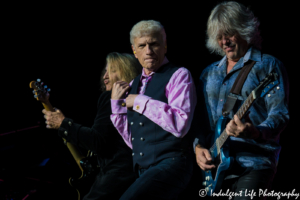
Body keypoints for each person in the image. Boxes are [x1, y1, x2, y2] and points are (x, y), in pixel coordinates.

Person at [194, 1, 289, 199]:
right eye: (219, 37)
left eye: (229, 34)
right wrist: (198, 147)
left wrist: (254, 131)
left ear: (244, 30)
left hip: (255, 162)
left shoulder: (267, 65)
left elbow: (279, 114)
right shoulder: (208, 74)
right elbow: (200, 122)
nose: (224, 42)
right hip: (217, 166)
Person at [110, 20, 197, 200]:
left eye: (154, 44)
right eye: (142, 45)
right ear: (134, 50)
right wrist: (116, 106)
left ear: (165, 46)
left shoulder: (179, 75)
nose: (148, 51)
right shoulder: (133, 85)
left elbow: (180, 124)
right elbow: (134, 139)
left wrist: (141, 101)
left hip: (173, 164)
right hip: (144, 170)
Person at [42, 52, 141, 200]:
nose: (105, 76)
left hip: (115, 179)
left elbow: (97, 142)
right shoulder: (139, 100)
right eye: (105, 71)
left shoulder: (111, 98)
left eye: (112, 70)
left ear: (127, 73)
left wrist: (63, 123)